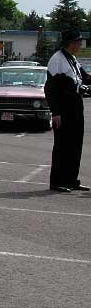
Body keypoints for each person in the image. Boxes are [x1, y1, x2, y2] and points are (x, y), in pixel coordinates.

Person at [44, 30, 91, 192]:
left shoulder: (72, 58)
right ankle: (57, 181)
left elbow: (84, 78)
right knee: (62, 145)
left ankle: (71, 179)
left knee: (75, 144)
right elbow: (51, 89)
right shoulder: (57, 60)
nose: (80, 45)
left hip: (76, 105)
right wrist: (55, 112)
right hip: (63, 108)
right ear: (71, 43)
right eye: (78, 42)